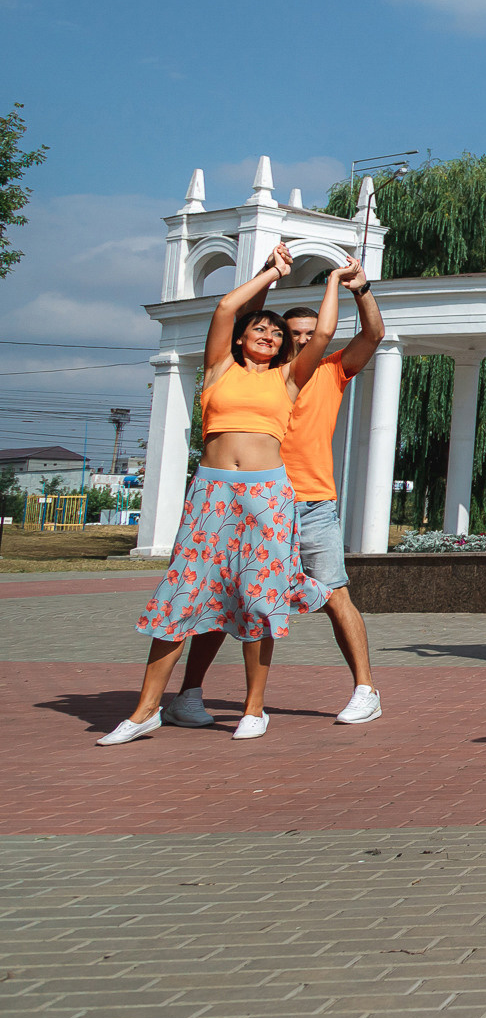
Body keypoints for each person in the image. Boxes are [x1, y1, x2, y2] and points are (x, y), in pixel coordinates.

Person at [103, 246, 337, 745]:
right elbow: (227, 306)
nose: (270, 335)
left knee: (259, 596)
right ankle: (146, 711)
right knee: (181, 594)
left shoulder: (288, 378)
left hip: (267, 496)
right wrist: (271, 273)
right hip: (212, 493)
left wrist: (335, 280)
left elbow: (322, 335)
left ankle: (254, 709)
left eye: (277, 333)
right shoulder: (219, 369)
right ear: (242, 337)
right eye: (261, 329)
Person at [163, 256, 387, 731]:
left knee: (334, 595)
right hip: (251, 503)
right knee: (224, 596)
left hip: (311, 504)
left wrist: (361, 289)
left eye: (309, 333)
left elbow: (372, 336)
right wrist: (268, 275)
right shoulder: (255, 376)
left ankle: (366, 690)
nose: (303, 339)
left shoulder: (329, 370)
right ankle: (188, 694)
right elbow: (241, 321)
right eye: (294, 333)